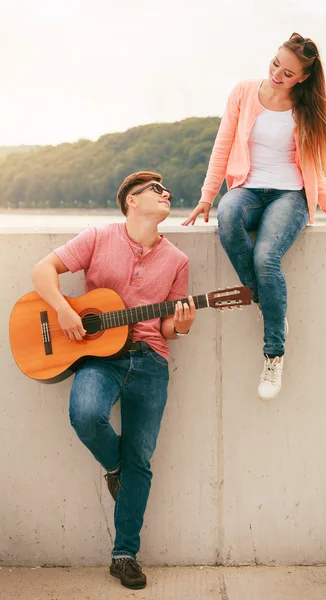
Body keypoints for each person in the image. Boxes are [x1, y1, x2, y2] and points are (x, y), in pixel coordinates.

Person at [183, 32, 326, 401]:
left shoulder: (308, 109)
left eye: (288, 73)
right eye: (275, 64)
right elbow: (222, 146)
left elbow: (315, 171)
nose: (277, 75)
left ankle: (274, 354)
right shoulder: (242, 93)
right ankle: (267, 304)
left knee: (266, 255)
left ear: (302, 77)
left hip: (290, 195)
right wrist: (208, 196)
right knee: (227, 216)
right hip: (248, 189)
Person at [31, 171, 196, 590]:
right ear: (132, 202)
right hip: (99, 357)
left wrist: (183, 325)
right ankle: (114, 466)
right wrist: (65, 311)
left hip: (149, 361)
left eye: (166, 190)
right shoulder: (99, 236)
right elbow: (42, 271)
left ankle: (124, 555)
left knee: (142, 459)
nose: (166, 194)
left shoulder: (177, 261)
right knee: (86, 414)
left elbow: (165, 329)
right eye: (155, 190)